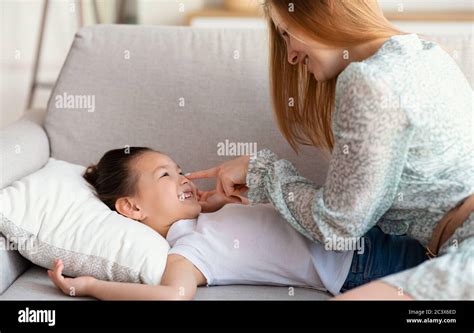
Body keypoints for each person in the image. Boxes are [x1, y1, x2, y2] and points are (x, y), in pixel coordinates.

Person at [187, 0, 474, 299]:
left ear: (328, 6)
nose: (291, 57)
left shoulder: (369, 81)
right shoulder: (425, 51)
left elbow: (337, 227)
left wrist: (262, 172)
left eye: (286, 33)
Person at [48, 147, 427, 300]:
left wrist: (219, 204)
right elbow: (172, 296)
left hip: (358, 230)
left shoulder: (205, 218)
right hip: (358, 266)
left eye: (179, 170)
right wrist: (93, 287)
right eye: (165, 175)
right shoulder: (184, 255)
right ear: (131, 208)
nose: (183, 178)